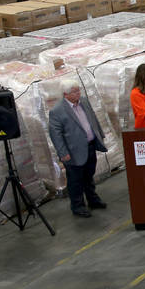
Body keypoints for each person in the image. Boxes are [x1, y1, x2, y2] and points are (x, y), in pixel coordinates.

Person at [48, 78, 108, 218]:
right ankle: (78, 205)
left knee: (89, 176)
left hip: (90, 146)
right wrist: (63, 153)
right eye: (74, 92)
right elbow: (55, 135)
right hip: (73, 152)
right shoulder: (57, 111)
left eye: (78, 90)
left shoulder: (84, 102)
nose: (78, 93)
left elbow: (93, 119)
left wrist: (100, 135)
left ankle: (93, 199)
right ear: (65, 94)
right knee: (75, 180)